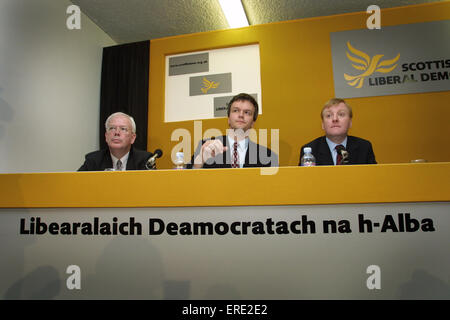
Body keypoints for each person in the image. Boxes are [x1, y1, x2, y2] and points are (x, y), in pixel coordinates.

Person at [187, 93, 278, 169]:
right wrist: (200, 160)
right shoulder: (206, 146)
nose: (241, 115)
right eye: (235, 110)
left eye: (247, 112)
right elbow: (186, 182)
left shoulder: (268, 156)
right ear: (228, 119)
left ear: (253, 123)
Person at [299, 98, 376, 166]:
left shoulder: (364, 147)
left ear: (350, 123)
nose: (335, 119)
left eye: (341, 114)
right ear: (322, 124)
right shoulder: (310, 151)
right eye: (329, 115)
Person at [78, 112, 153, 171]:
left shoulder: (144, 161)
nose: (117, 132)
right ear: (106, 136)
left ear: (132, 138)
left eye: (123, 129)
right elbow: (75, 184)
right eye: (112, 128)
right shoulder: (93, 160)